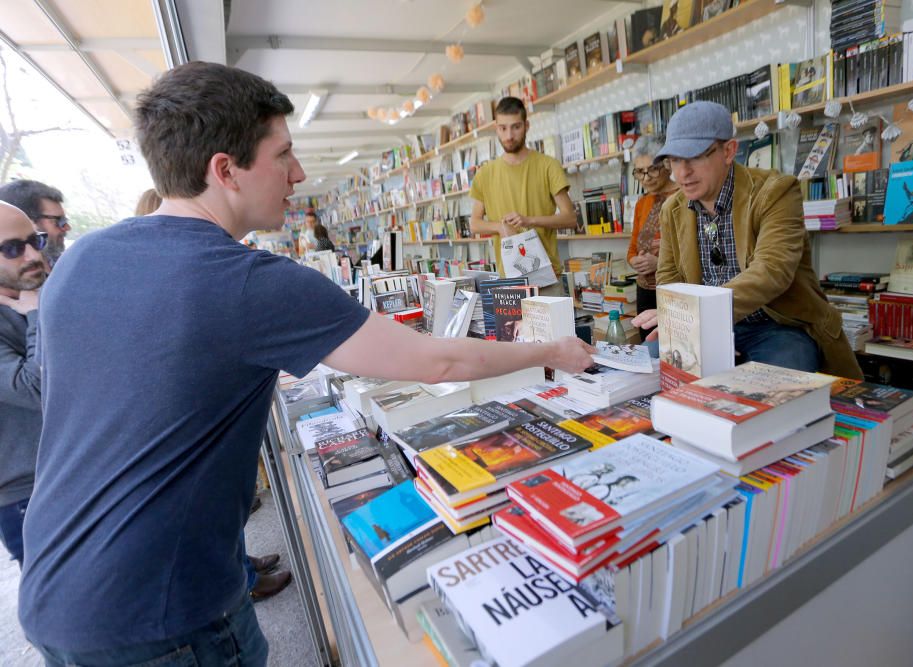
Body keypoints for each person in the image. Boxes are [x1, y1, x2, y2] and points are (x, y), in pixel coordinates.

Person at [19, 61, 594, 666]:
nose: (299, 174)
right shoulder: (248, 281)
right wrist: (553, 349)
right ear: (225, 170)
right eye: (283, 155)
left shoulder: (81, 261)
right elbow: (439, 359)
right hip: (163, 611)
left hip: (55, 585)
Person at [132, 187, 289, 599]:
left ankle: (242, 565)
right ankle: (244, 579)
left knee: (218, 506)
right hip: (184, 458)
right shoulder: (204, 278)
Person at [632, 101, 862, 379]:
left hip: (776, 326)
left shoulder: (776, 191)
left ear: (729, 151)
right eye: (675, 161)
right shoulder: (674, 208)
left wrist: (704, 315)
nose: (682, 173)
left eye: (694, 157)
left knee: (780, 385)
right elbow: (669, 277)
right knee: (646, 369)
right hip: (703, 325)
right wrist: (678, 323)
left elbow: (772, 272)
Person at [470, 96, 577, 294]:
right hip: (508, 280)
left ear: (527, 125)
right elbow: (474, 223)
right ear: (496, 128)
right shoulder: (485, 173)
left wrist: (528, 220)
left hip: (547, 278)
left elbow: (570, 218)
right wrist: (501, 228)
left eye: (516, 127)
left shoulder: (548, 165)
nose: (509, 135)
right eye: (503, 128)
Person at [0, 202, 47, 569]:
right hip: (27, 495)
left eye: (35, 240)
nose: (32, 254)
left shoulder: (39, 291)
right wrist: (34, 313)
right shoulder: (33, 303)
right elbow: (36, 389)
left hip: (74, 471)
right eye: (13, 248)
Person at [626, 134, 679, 312]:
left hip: (676, 291)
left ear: (667, 165)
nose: (646, 178)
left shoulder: (684, 197)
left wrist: (659, 263)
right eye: (640, 171)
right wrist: (635, 261)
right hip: (645, 292)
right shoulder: (642, 203)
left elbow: (695, 251)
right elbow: (632, 249)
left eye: (652, 170)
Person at [0, 179, 71, 267]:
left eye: (65, 220)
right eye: (59, 221)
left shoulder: (62, 267)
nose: (67, 227)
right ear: (27, 221)